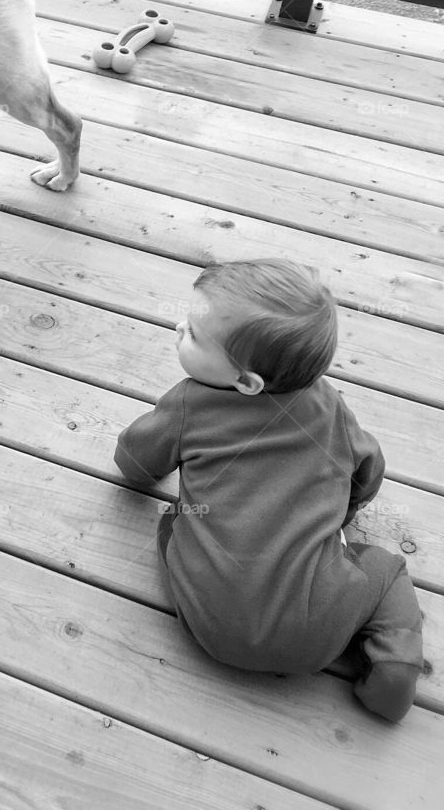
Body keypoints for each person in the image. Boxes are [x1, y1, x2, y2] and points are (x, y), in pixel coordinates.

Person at [115, 258, 423, 722]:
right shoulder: (332, 410)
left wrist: (145, 476)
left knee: (177, 521)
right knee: (385, 569)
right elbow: (369, 472)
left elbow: (134, 464)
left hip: (211, 625)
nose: (178, 328)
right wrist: (345, 511)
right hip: (321, 632)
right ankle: (395, 668)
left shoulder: (188, 405)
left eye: (195, 334)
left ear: (246, 381)